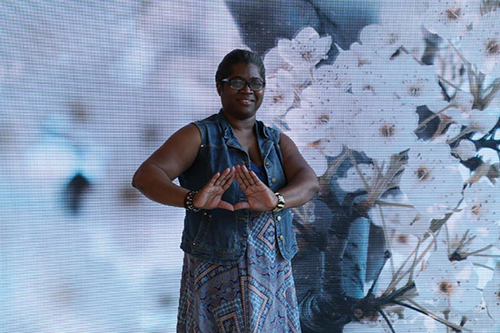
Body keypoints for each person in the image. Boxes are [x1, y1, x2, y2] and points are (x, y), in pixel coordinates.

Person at [132, 49, 319, 332]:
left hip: (273, 271)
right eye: (237, 82)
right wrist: (192, 199)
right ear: (220, 86)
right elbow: (146, 177)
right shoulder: (199, 135)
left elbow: (309, 182)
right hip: (217, 270)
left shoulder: (276, 140)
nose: (248, 90)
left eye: (256, 83)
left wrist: (276, 200)